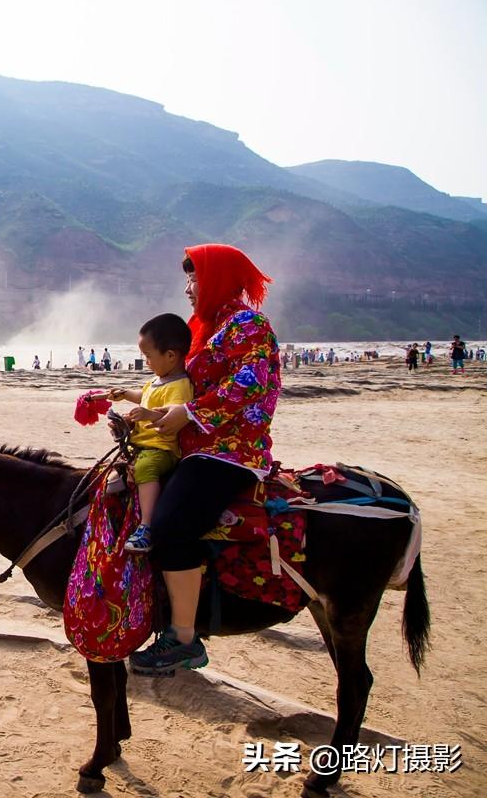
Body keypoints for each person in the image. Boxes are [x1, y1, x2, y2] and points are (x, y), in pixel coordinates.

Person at [127, 244, 280, 676]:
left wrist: (191, 414)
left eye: (195, 279)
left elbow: (250, 383)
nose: (188, 289)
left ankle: (184, 638)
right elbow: (176, 385)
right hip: (190, 445)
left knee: (172, 525)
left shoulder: (248, 324)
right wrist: (145, 409)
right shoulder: (205, 327)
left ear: (218, 280)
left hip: (229, 450)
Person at [106, 314, 194, 552]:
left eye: (148, 357)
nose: (146, 362)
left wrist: (147, 415)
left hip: (161, 449)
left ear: (170, 356)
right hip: (143, 446)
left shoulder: (179, 385)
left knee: (145, 468)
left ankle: (146, 526)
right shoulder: (158, 380)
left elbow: (171, 415)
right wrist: (125, 394)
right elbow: (144, 396)